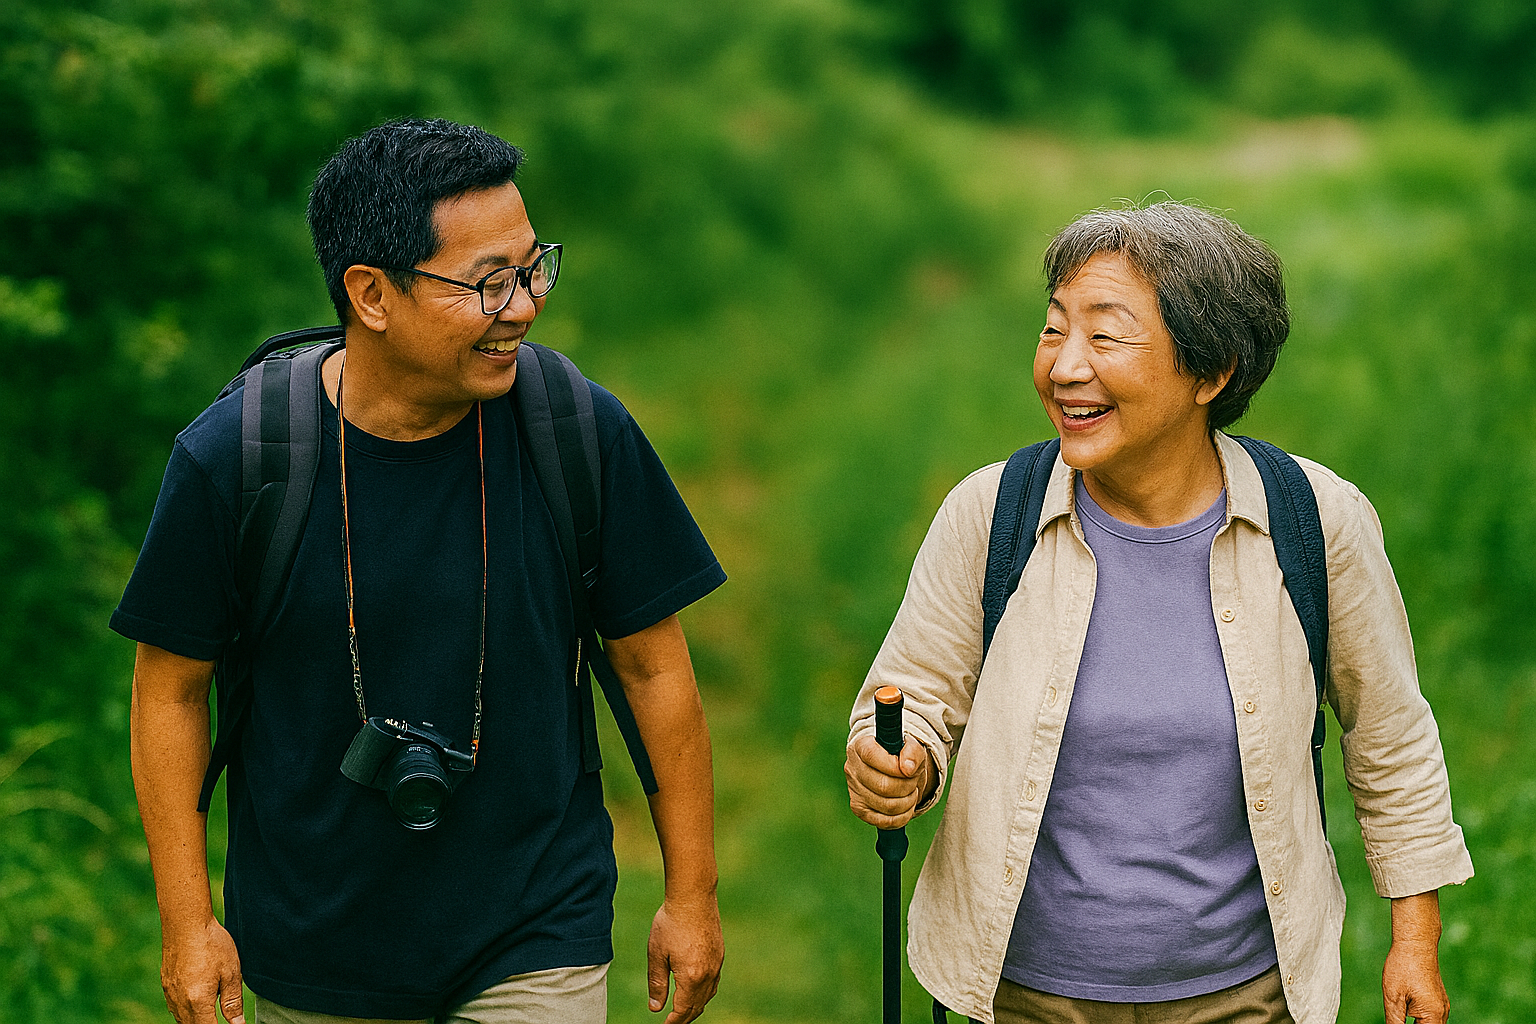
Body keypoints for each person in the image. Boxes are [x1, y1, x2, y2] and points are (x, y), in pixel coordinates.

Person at [115, 118, 726, 1024]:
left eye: (531, 269)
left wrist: (692, 894)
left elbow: (652, 664)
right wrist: (187, 921)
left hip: (535, 925)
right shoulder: (238, 459)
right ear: (370, 294)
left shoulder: (576, 433)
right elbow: (169, 692)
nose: (522, 305)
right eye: (487, 283)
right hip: (309, 943)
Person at [845, 202, 1473, 1024]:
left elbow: (1390, 735)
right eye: (1052, 329)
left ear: (1212, 373)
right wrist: (895, 759)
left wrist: (1414, 940)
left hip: (1244, 996)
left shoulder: (1314, 520)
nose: (1065, 367)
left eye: (1105, 337)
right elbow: (912, 697)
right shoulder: (991, 513)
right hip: (1024, 996)